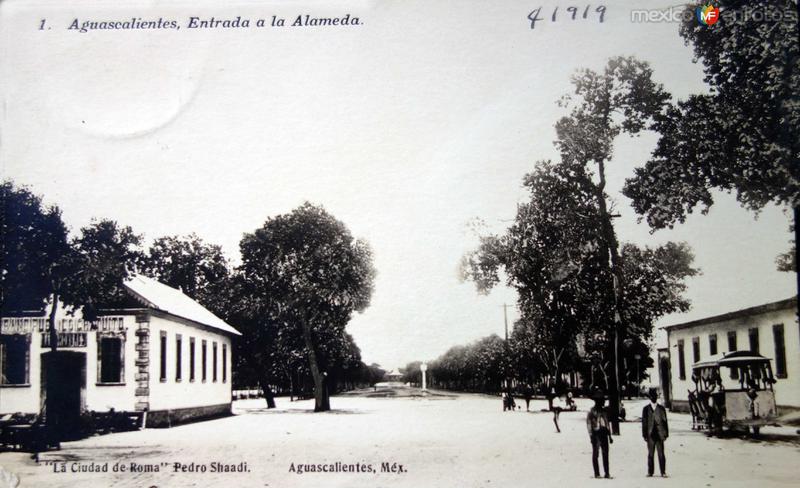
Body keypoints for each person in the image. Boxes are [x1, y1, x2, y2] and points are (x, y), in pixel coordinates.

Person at [641, 389, 669, 478]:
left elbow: (665, 421)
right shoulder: (645, 409)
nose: (653, 398)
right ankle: (650, 472)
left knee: (661, 454)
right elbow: (644, 423)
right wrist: (644, 434)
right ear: (650, 398)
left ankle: (663, 472)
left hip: (659, 433)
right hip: (650, 434)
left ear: (657, 397)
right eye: (652, 396)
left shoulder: (661, 409)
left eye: (655, 396)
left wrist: (666, 433)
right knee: (650, 454)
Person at [586, 393, 613, 479]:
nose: (604, 402)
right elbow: (589, 424)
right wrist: (591, 435)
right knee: (596, 454)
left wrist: (610, 435)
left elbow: (607, 423)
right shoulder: (591, 412)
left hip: (604, 433)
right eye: (602, 401)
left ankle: (607, 472)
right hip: (596, 433)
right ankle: (597, 473)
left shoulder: (605, 411)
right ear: (597, 402)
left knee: (605, 454)